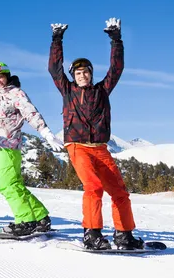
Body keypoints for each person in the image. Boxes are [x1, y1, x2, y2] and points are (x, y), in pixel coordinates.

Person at [48, 18, 144, 250]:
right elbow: (54, 68)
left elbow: (116, 68)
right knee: (93, 187)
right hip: (77, 146)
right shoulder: (67, 90)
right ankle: (92, 234)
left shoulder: (102, 90)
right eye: (78, 73)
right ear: (73, 75)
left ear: (91, 74)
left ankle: (124, 234)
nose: (83, 75)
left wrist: (116, 39)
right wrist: (57, 39)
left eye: (86, 72)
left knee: (120, 192)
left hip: (100, 148)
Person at [0, 41, 64, 236]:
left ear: (7, 77)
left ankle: (25, 220)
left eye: (0, 77)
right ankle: (40, 217)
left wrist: (46, 133)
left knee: (6, 185)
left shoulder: (16, 94)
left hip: (8, 146)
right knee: (15, 184)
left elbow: (30, 112)